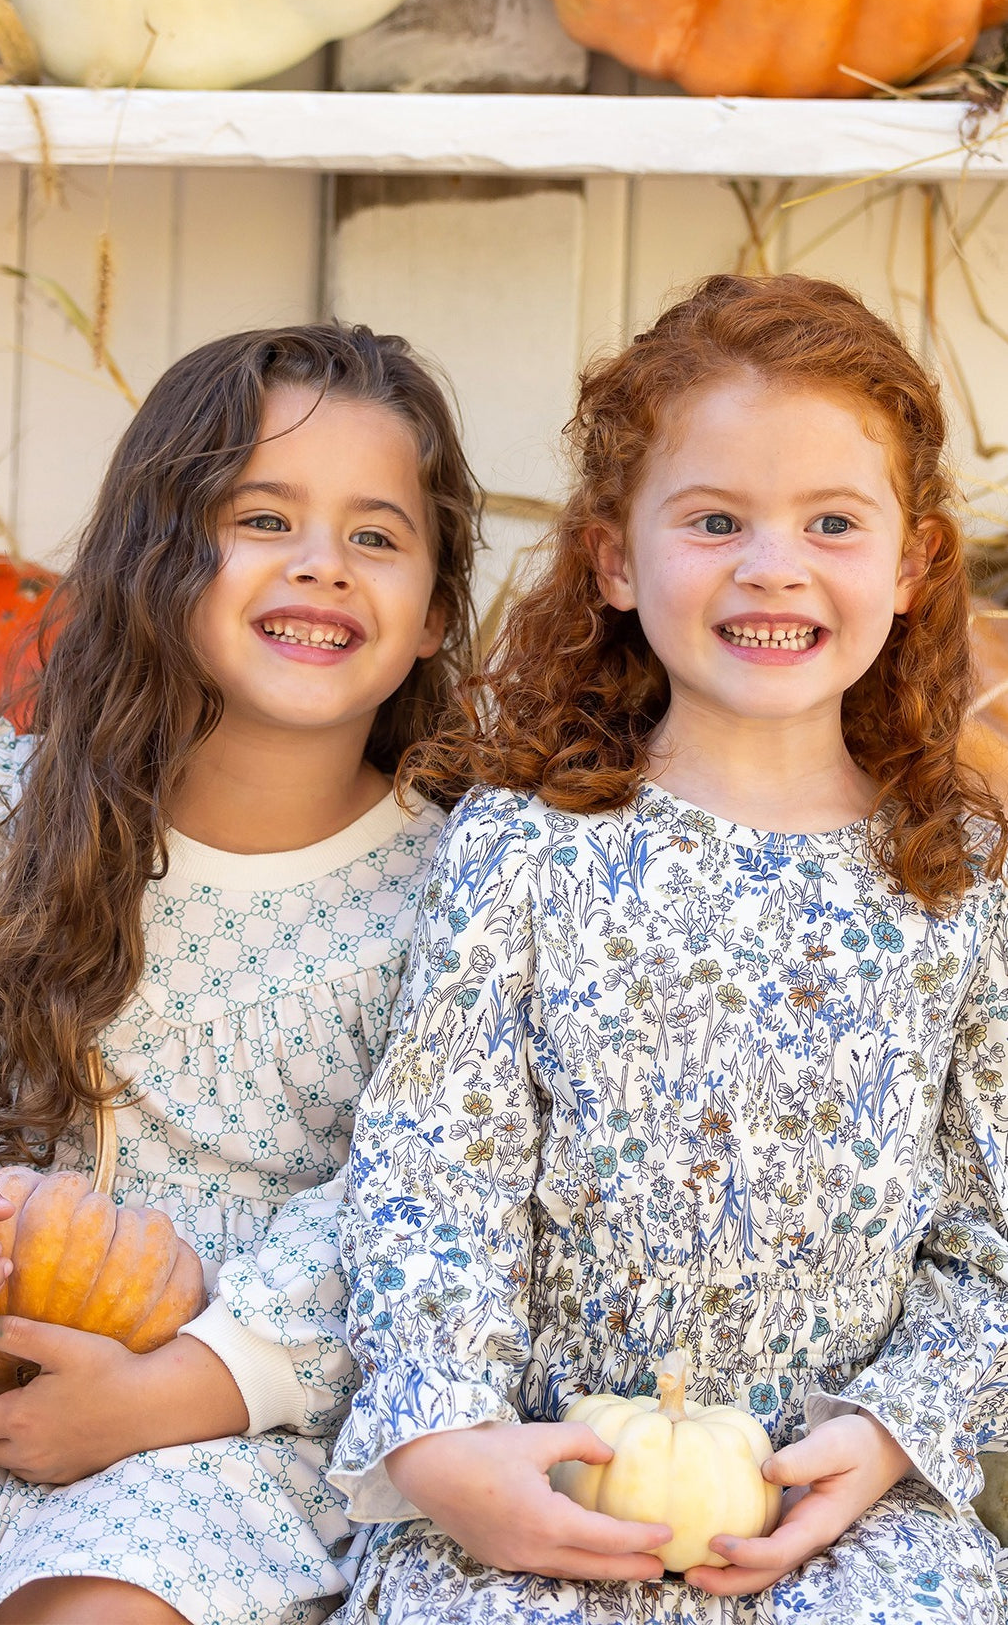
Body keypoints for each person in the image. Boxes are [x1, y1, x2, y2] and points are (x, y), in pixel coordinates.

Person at [330, 273, 1008, 1624]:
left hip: (835, 1521)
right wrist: (450, 1448)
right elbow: (431, 1184)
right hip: (545, 1489)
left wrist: (882, 1439)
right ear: (614, 561)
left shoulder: (957, 878)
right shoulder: (526, 851)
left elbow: (989, 1233)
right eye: (713, 521)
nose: (773, 565)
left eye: (831, 521)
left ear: (911, 562)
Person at [0, 321, 480, 1625]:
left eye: (376, 537)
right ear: (159, 556)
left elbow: (403, 1215)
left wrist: (182, 1388)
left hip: (235, 1407)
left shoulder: (457, 898)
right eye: (262, 516)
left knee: (98, 1611)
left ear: (434, 611)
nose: (322, 564)